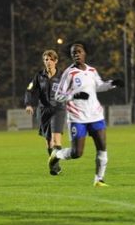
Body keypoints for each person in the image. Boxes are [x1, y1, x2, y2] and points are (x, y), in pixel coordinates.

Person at [48, 41, 124, 186]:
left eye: (78, 51)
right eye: (73, 53)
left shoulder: (91, 71)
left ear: (84, 53)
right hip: (77, 117)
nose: (76, 54)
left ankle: (98, 180)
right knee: (77, 153)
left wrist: (112, 83)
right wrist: (73, 96)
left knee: (102, 146)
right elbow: (58, 95)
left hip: (96, 115)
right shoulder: (69, 73)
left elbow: (99, 86)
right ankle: (56, 154)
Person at [24, 49, 66, 175]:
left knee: (56, 138)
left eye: (51, 59)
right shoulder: (39, 76)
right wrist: (28, 104)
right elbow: (29, 90)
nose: (48, 62)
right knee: (48, 141)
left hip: (58, 109)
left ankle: (53, 166)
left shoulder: (62, 76)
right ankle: (55, 165)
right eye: (46, 60)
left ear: (56, 61)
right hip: (43, 110)